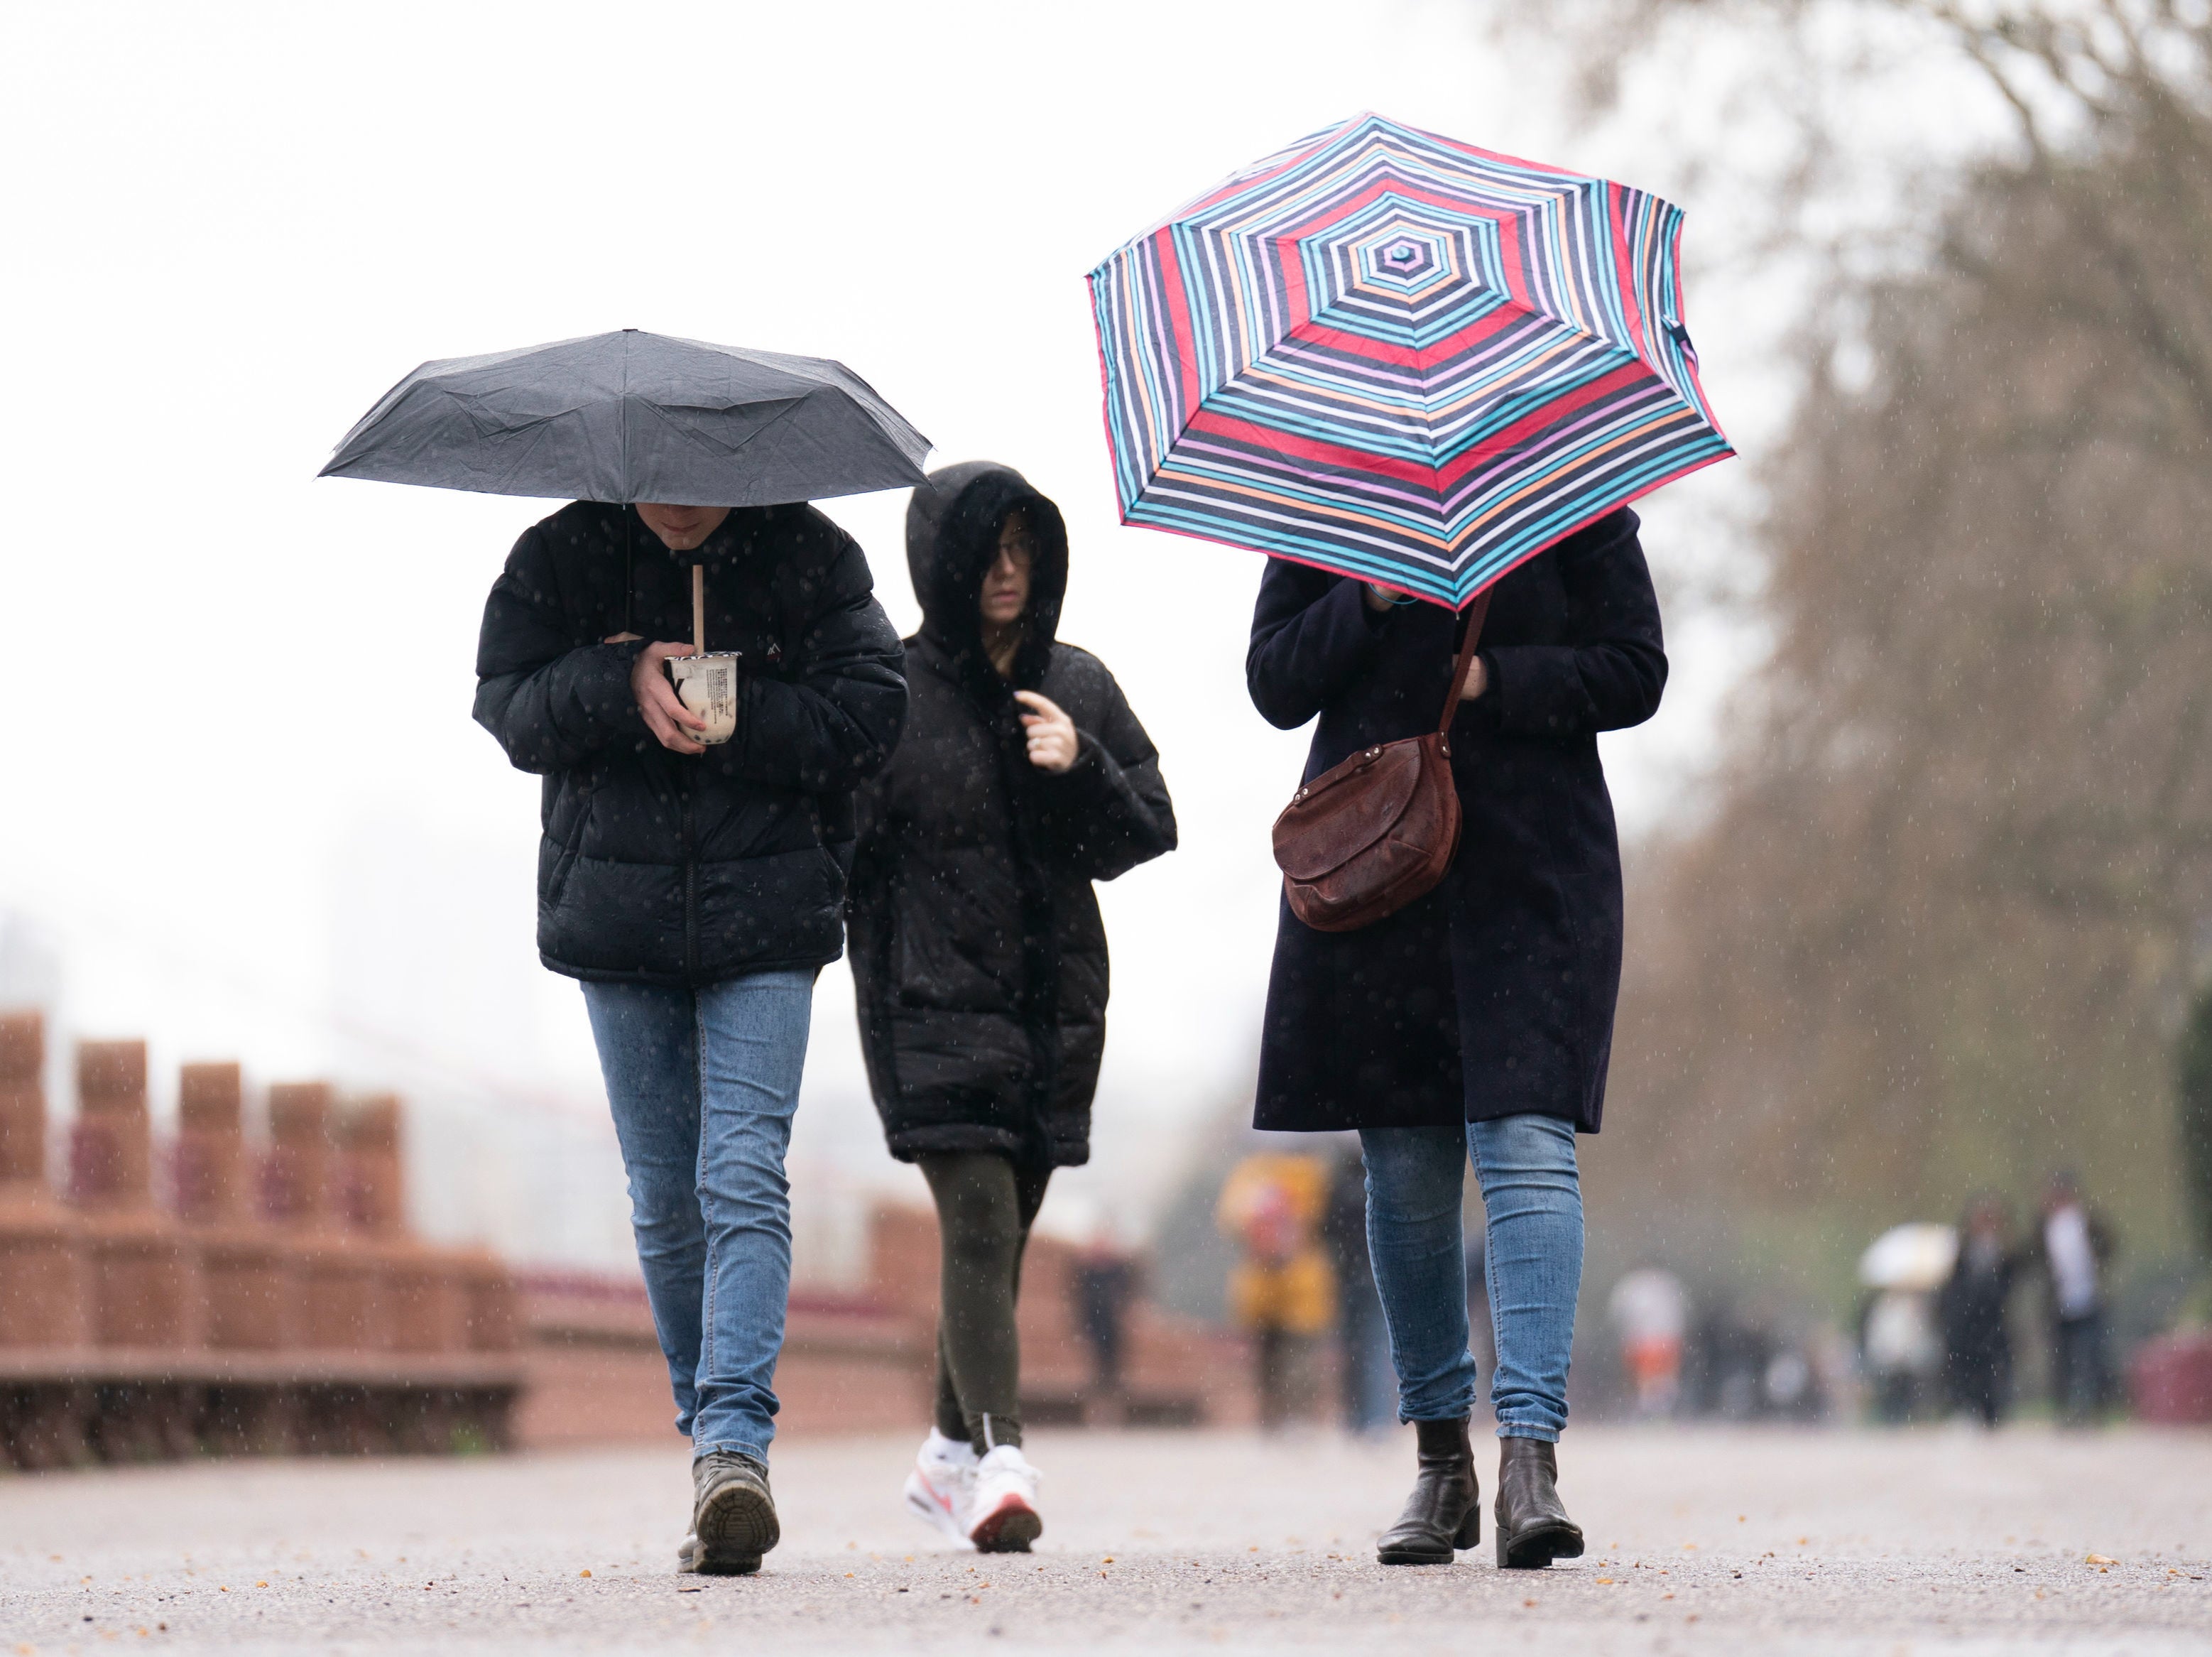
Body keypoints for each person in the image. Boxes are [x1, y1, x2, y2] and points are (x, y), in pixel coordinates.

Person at [474, 498, 905, 1575]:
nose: (675, 494)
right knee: (665, 1199)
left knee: (743, 1173)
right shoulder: (561, 553)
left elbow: (872, 716)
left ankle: (731, 1445)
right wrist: (619, 682)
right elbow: (505, 706)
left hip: (766, 914)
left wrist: (739, 702)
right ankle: (708, 1449)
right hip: (616, 921)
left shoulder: (808, 555)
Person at [1247, 509, 1666, 1569]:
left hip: (1533, 868)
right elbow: (1271, 679)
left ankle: (1530, 1457)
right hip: (1379, 862)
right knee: (1407, 1164)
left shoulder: (1568, 487)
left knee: (1527, 1144)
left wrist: (1494, 682)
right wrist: (1368, 596)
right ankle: (1441, 1463)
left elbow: (1633, 670)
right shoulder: (1332, 489)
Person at [847, 461, 1175, 1552]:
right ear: (941, 563)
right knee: (979, 1220)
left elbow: (1146, 832)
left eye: (1023, 551)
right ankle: (998, 1460)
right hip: (928, 1006)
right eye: (985, 552)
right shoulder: (885, 694)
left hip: (1052, 1015)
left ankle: (944, 1454)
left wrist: (1078, 768)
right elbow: (834, 858)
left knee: (999, 1236)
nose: (1005, 572)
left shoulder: (1075, 684)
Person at [1217, 1150, 1336, 1430]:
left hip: (1300, 1287)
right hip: (1266, 1287)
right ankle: (1276, 1417)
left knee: (1299, 1356)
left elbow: (1321, 1218)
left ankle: (1295, 1416)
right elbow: (1232, 1220)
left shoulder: (1304, 1174)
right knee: (1270, 1357)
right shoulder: (1257, 1173)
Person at [1322, 1145, 1396, 1433]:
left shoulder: (1337, 1189)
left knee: (1352, 1348)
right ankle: (1376, 1417)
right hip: (1378, 1274)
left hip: (1347, 1276)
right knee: (1377, 1347)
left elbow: (1325, 1230)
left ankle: (1355, 1417)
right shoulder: (1380, 1187)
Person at [2038, 1171, 2117, 1425]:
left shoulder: (2086, 1222)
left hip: (2088, 1301)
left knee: (2091, 1358)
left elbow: (2109, 1246)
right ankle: (2067, 1411)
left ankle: (2091, 1409)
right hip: (2060, 1305)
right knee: (2063, 1362)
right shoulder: (2045, 1226)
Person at [1939, 1195, 2021, 1427]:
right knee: (1967, 1370)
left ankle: (1992, 1413)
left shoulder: (2004, 1250)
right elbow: (1955, 1286)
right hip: (1967, 1323)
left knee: (1993, 1371)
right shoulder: (1963, 1249)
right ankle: (1968, 1408)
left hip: (1994, 1323)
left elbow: (2010, 1280)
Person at [1069, 1217, 1139, 1415]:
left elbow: (1127, 1293)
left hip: (1112, 1323)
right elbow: (1077, 1295)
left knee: (1112, 1364)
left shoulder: (1118, 1267)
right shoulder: (1085, 1268)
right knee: (1096, 1363)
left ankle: (1113, 1405)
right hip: (1094, 1320)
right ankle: (1097, 1405)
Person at [1608, 1266, 1687, 1420]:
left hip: (1648, 1339)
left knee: (1651, 1378)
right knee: (1658, 1378)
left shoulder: (1633, 1284)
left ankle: (1655, 1411)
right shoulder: (1667, 1284)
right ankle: (1657, 1411)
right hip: (1655, 1339)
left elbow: (1618, 1314)